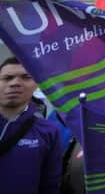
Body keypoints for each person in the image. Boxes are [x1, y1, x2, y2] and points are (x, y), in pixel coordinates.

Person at [0, 57, 62, 194]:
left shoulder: (49, 131)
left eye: (25, 77)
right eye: (7, 78)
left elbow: (50, 185)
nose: (15, 83)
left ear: (36, 84)